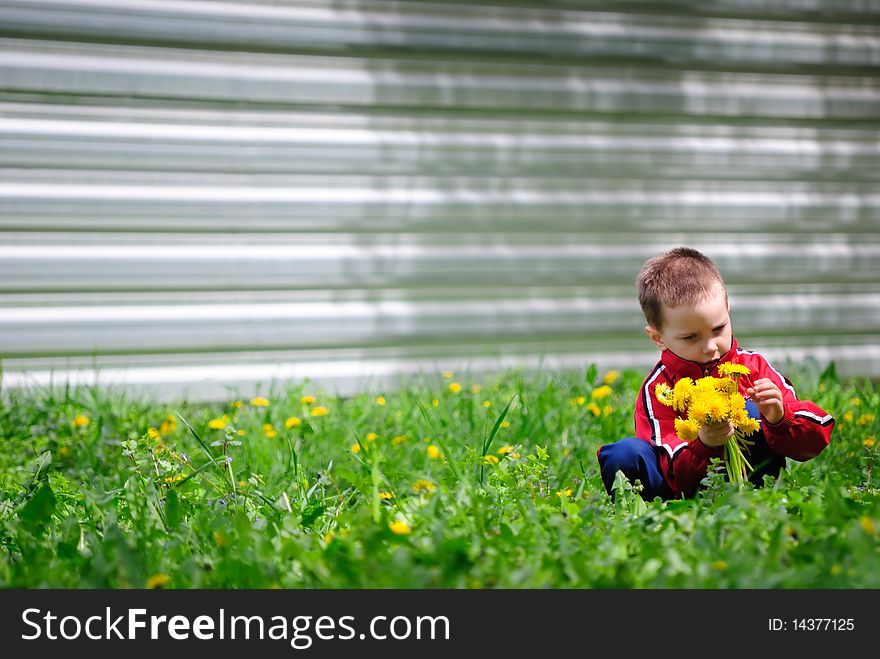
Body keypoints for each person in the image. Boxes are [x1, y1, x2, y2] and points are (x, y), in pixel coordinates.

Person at [597, 247, 834, 500]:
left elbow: (814, 442)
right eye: (691, 337)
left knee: (750, 411)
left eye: (718, 328)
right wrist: (705, 444)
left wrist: (780, 417)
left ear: (728, 308)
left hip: (753, 488)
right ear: (658, 337)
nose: (710, 347)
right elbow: (672, 475)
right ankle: (645, 522)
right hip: (683, 496)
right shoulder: (659, 390)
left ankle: (756, 501)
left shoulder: (753, 366)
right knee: (623, 454)